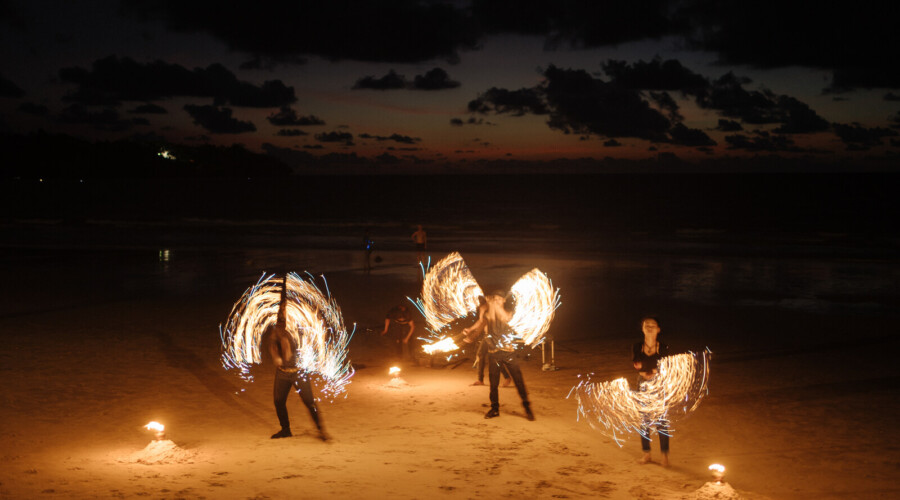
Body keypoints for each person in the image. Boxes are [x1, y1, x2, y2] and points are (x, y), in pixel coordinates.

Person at [269, 277, 329, 441]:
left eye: (287, 310)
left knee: (309, 402)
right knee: (278, 401)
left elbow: (313, 340)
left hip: (298, 372)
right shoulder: (278, 328)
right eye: (283, 310)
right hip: (282, 373)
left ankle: (321, 430)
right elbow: (272, 344)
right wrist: (276, 356)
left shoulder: (301, 329)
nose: (284, 313)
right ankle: (286, 429)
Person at [462, 291, 533, 420]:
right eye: (494, 299)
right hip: (494, 353)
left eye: (498, 299)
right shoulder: (489, 313)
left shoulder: (508, 311)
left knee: (519, 381)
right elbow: (481, 323)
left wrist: (495, 305)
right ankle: (494, 409)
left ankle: (527, 407)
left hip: (508, 353)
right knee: (493, 384)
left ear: (503, 301)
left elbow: (505, 317)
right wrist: (470, 331)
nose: (495, 301)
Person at [632, 316, 670, 466]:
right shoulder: (637, 346)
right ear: (642, 328)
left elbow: (664, 366)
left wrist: (650, 370)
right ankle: (646, 454)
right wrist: (650, 370)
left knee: (661, 421)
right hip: (642, 383)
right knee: (644, 421)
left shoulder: (664, 347)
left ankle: (665, 456)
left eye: (653, 324)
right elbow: (636, 364)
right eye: (646, 324)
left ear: (658, 329)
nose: (649, 326)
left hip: (659, 384)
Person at [467, 295, 511, 387]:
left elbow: (485, 322)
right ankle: (480, 379)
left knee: (495, 358)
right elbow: (480, 321)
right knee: (480, 355)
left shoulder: (491, 307)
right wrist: (470, 329)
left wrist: (473, 336)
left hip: (495, 336)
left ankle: (507, 377)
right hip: (487, 336)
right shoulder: (482, 308)